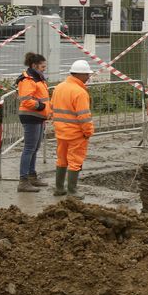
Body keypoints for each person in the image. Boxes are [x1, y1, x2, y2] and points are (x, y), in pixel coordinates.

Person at [50, 58, 95, 200]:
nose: (88, 77)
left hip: (61, 132)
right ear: (79, 75)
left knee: (61, 159)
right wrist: (88, 132)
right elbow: (84, 117)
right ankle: (72, 190)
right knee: (75, 161)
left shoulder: (59, 87)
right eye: (87, 74)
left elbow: (52, 108)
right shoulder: (80, 92)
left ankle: (59, 188)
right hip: (76, 134)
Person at [14, 51, 49, 193]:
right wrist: (40, 106)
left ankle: (31, 176)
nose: (44, 68)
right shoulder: (28, 80)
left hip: (38, 116)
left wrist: (45, 111)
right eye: (42, 66)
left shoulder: (37, 78)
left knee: (34, 148)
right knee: (29, 148)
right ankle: (23, 181)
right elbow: (26, 99)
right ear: (34, 65)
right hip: (31, 115)